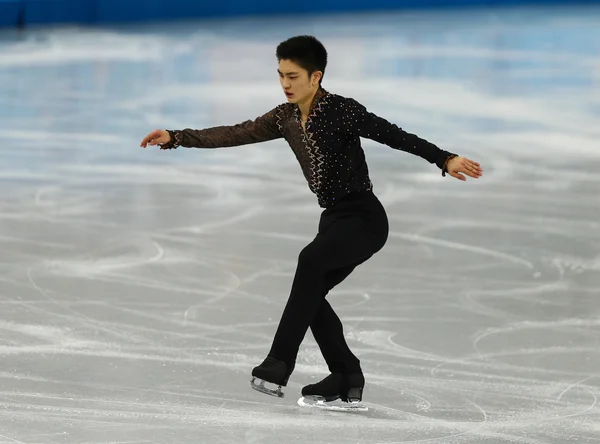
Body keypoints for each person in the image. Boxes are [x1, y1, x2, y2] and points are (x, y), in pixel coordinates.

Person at [140, 35, 483, 406]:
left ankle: (279, 362)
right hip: (333, 220)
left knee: (309, 263)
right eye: (281, 75)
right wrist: (177, 137)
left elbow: (394, 135)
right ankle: (346, 373)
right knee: (311, 294)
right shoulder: (284, 117)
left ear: (315, 76)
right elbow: (235, 133)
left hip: (365, 219)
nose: (285, 84)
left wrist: (443, 158)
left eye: (293, 76)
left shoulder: (342, 110)